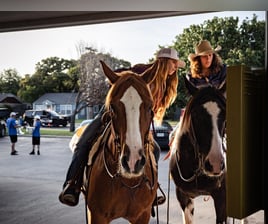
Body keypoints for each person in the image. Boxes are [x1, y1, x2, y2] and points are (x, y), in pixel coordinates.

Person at [59, 47, 185, 206]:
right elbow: (118, 73)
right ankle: (71, 184)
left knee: (155, 150)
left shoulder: (166, 86)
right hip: (114, 112)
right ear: (164, 62)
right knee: (83, 142)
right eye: (173, 63)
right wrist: (116, 78)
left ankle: (151, 188)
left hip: (136, 124)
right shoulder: (142, 70)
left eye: (176, 64)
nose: (175, 67)